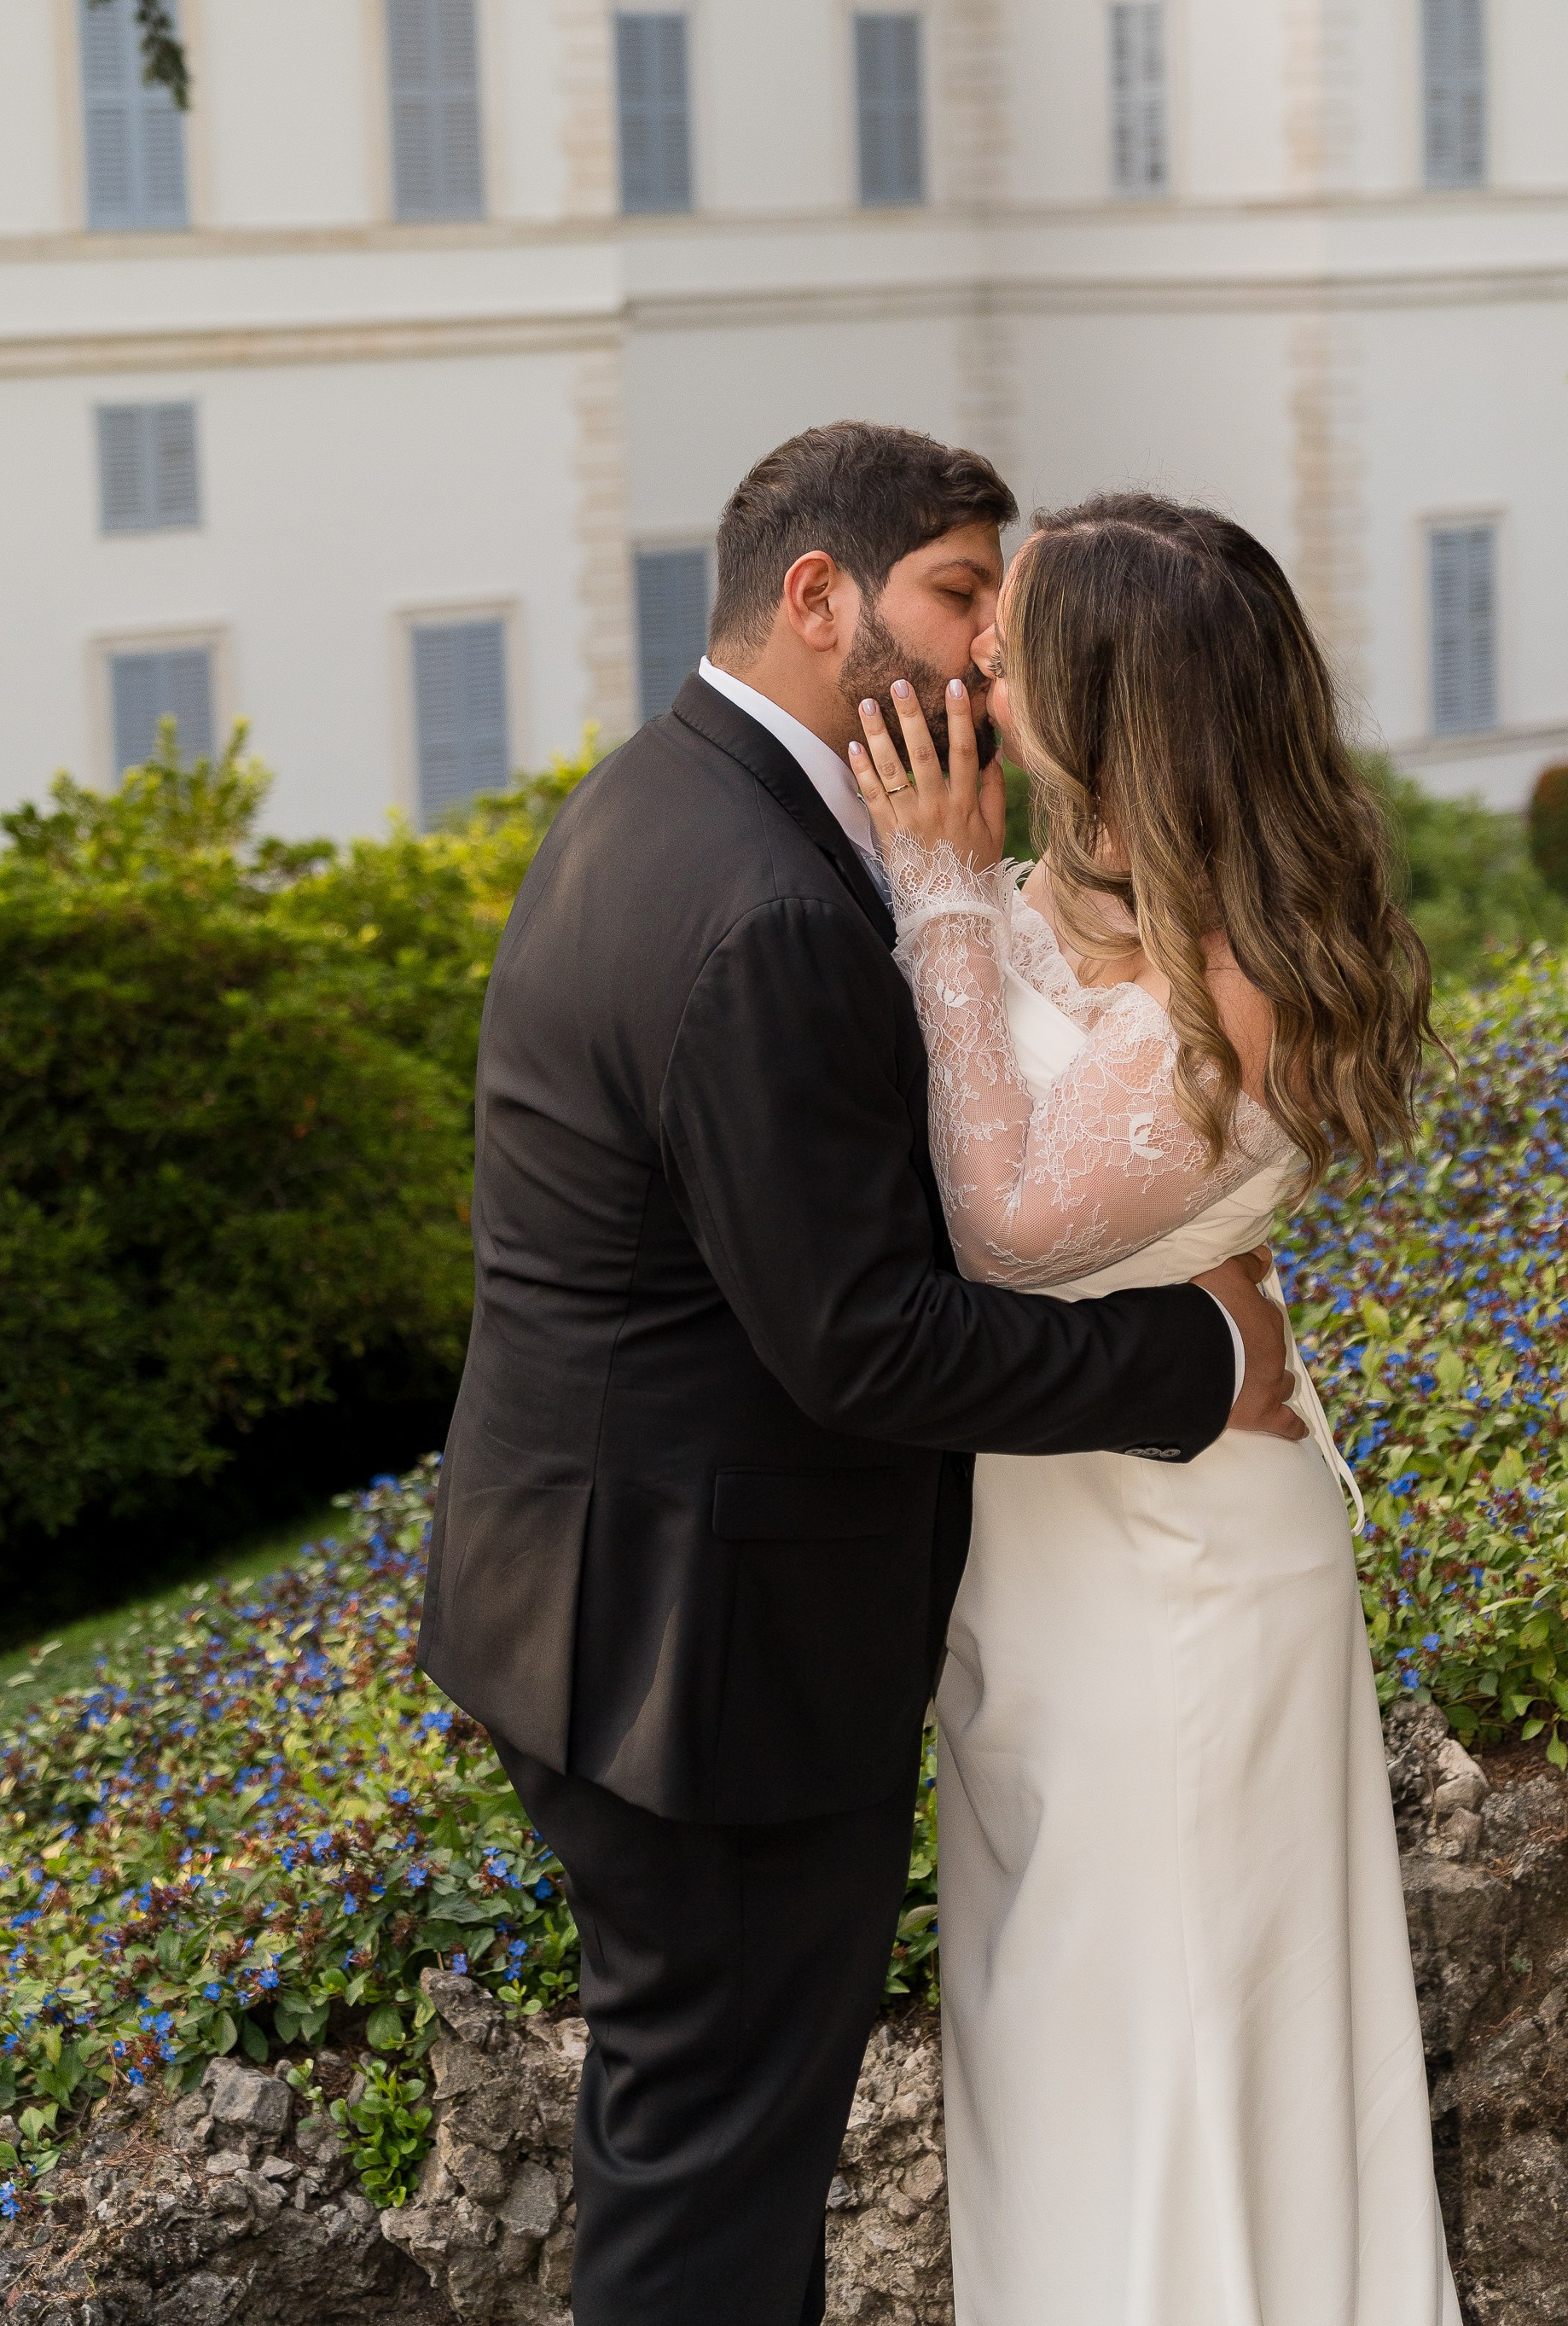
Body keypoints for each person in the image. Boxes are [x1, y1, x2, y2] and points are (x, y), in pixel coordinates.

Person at [415, 423, 1298, 2326]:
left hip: (609, 1597)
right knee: (712, 2194)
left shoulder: (661, 801)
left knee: (709, 2161)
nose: (989, 655)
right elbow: (863, 1338)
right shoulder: (767, 904)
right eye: (961, 597)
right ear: (821, 602)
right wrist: (1194, 1347)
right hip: (692, 1657)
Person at [846, 490, 1461, 2326]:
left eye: (1011, 638)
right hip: (1039, 1580)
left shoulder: (1239, 974)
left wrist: (937, 899)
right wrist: (981, 894)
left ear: (1110, 705)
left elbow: (1009, 1222)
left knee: (1184, 2053)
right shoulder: (1081, 892)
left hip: (1178, 1590)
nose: (973, 659)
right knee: (1060, 2059)